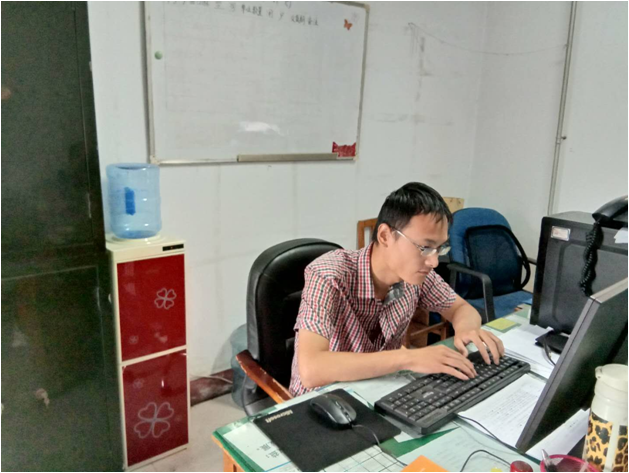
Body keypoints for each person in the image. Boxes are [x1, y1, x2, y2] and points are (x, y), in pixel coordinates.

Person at [289, 182, 505, 396]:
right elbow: (311, 369)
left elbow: (461, 309)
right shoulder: (329, 274)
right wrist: (408, 358)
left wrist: (467, 329)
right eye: (425, 247)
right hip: (321, 398)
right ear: (385, 236)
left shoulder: (416, 276)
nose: (434, 261)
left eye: (440, 248)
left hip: (378, 388)